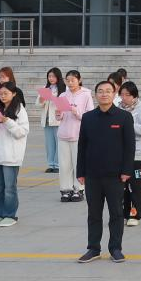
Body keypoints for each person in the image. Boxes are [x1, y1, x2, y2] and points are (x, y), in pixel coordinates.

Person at [75, 81, 135, 263]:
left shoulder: (124, 117)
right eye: (100, 91)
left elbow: (129, 146)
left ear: (114, 93)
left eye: (108, 91)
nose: (104, 94)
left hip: (115, 175)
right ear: (95, 95)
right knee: (94, 213)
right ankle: (93, 248)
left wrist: (126, 170)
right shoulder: (88, 117)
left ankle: (115, 248)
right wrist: (81, 171)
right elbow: (82, 146)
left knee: (116, 213)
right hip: (92, 174)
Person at [0, 82, 29, 228]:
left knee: (10, 187)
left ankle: (10, 214)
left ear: (14, 93)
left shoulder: (19, 109)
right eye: (0, 93)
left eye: (6, 93)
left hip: (11, 155)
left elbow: (22, 132)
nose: (2, 96)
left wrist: (7, 121)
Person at [55, 70, 93, 203]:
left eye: (73, 80)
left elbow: (90, 116)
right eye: (68, 80)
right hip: (63, 133)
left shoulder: (86, 94)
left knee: (78, 163)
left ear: (79, 80)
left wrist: (76, 112)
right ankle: (66, 189)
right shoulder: (63, 95)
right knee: (64, 164)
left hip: (78, 134)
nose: (70, 83)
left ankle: (78, 189)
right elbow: (59, 117)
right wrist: (59, 114)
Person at [118, 82, 141, 227]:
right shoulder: (117, 109)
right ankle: (124, 213)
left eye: (128, 95)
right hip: (120, 154)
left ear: (134, 96)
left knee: (136, 186)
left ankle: (135, 214)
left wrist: (130, 126)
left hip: (137, 154)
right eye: (122, 94)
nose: (124, 98)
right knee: (122, 186)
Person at [40, 68, 65, 173]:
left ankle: (58, 165)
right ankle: (51, 164)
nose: (51, 78)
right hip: (46, 119)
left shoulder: (64, 88)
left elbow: (65, 103)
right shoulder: (46, 88)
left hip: (57, 119)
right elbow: (39, 103)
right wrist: (42, 100)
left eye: (53, 76)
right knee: (49, 144)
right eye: (49, 76)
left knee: (59, 143)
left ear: (58, 77)